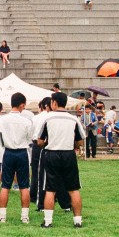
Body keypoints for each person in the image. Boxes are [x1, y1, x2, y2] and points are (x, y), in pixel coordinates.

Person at [36, 92, 85, 228]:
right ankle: (78, 221)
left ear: (54, 103)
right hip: (69, 154)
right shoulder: (73, 119)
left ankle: (48, 221)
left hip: (52, 154)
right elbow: (80, 141)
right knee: (74, 188)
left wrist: (47, 143)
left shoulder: (47, 118)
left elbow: (39, 141)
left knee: (50, 189)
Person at [0, 92, 33, 224]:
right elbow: (30, 139)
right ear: (22, 104)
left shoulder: (2, 119)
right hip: (22, 153)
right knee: (24, 185)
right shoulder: (26, 121)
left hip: (8, 152)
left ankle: (2, 216)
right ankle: (24, 216)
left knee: (5, 185)